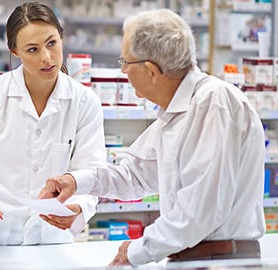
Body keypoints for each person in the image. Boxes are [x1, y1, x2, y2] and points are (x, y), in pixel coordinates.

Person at [38, 8, 266, 266]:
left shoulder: (213, 104)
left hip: (221, 261)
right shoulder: (178, 112)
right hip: (195, 258)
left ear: (150, 69)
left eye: (125, 62)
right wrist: (75, 182)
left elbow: (198, 213)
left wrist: (136, 252)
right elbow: (133, 175)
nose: (123, 71)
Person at [0, 2, 107, 246]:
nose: (46, 58)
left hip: (51, 240)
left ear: (61, 38)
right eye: (32, 49)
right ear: (15, 52)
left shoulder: (84, 102)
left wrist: (78, 208)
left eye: (52, 43)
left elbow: (91, 172)